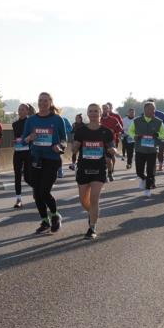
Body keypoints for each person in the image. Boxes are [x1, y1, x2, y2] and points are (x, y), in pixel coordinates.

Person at [21, 93, 68, 234]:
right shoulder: (31, 120)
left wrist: (59, 147)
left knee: (44, 191)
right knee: (37, 193)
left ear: (50, 102)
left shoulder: (57, 119)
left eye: (45, 101)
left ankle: (55, 215)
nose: (42, 103)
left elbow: (64, 140)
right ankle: (45, 220)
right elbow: (23, 140)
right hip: (35, 159)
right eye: (40, 101)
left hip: (52, 159)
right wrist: (29, 137)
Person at [72, 103, 117, 240]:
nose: (93, 113)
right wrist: (74, 147)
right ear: (87, 113)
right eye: (90, 111)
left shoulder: (106, 131)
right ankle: (92, 213)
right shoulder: (80, 131)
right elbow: (74, 148)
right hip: (83, 168)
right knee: (83, 200)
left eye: (95, 111)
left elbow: (112, 147)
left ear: (100, 113)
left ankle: (92, 227)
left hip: (99, 168)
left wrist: (112, 150)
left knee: (94, 198)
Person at [128, 101, 164, 198]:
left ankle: (147, 188)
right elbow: (130, 131)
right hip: (139, 149)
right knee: (139, 172)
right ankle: (143, 179)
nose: (152, 111)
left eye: (154, 109)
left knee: (150, 171)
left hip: (152, 151)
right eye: (150, 109)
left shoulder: (159, 122)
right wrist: (135, 136)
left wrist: (158, 135)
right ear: (145, 110)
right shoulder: (137, 121)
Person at [10, 103, 33, 209]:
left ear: (27, 111)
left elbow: (34, 135)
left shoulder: (31, 122)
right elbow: (17, 137)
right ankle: (18, 199)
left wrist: (28, 139)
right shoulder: (14, 124)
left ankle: (37, 190)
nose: (20, 111)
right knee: (17, 175)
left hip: (28, 151)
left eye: (23, 109)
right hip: (18, 151)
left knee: (28, 177)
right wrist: (15, 141)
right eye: (19, 109)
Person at [101, 103, 123, 181]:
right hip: (99, 142)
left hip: (110, 141)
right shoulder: (99, 119)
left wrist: (113, 131)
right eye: (103, 108)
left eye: (106, 108)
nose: (104, 110)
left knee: (108, 159)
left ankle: (110, 173)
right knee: (100, 160)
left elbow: (120, 129)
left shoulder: (114, 119)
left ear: (109, 109)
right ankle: (103, 174)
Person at [58, 113, 73, 178]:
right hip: (51, 141)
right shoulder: (48, 120)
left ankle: (60, 171)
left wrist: (63, 130)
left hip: (61, 140)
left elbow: (70, 129)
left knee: (58, 155)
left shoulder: (64, 119)